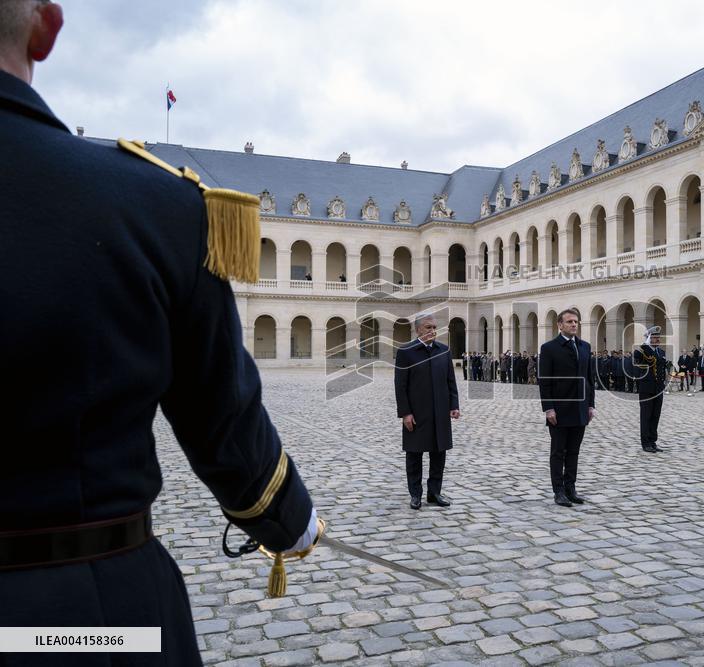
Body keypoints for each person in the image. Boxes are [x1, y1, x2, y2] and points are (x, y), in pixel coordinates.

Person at [0, 3, 318, 663]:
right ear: (45, 27)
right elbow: (225, 426)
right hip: (85, 623)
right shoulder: (152, 205)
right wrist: (290, 522)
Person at [394, 313, 460, 510]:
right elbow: (400, 386)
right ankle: (415, 494)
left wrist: (454, 405)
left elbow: (451, 381)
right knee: (414, 455)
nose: (432, 331)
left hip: (440, 412)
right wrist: (405, 413)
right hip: (416, 413)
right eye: (428, 327)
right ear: (418, 330)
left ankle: (434, 492)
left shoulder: (444, 350)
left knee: (438, 454)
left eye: (434, 327)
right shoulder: (406, 352)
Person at [538, 309, 595, 507]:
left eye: (576, 322)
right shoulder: (549, 348)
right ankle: (558, 491)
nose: (573, 325)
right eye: (569, 322)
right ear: (559, 325)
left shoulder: (585, 347)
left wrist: (591, 405)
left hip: (580, 408)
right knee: (558, 452)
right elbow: (544, 381)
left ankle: (571, 488)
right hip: (560, 409)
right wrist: (549, 408)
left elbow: (590, 379)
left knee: (574, 451)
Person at [633, 328, 668, 453]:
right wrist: (646, 345)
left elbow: (662, 370)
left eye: (658, 337)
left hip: (658, 389)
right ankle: (645, 443)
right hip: (646, 389)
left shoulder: (661, 352)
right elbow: (640, 361)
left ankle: (653, 441)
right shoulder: (642, 351)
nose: (657, 339)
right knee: (646, 416)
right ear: (648, 338)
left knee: (655, 416)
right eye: (654, 337)